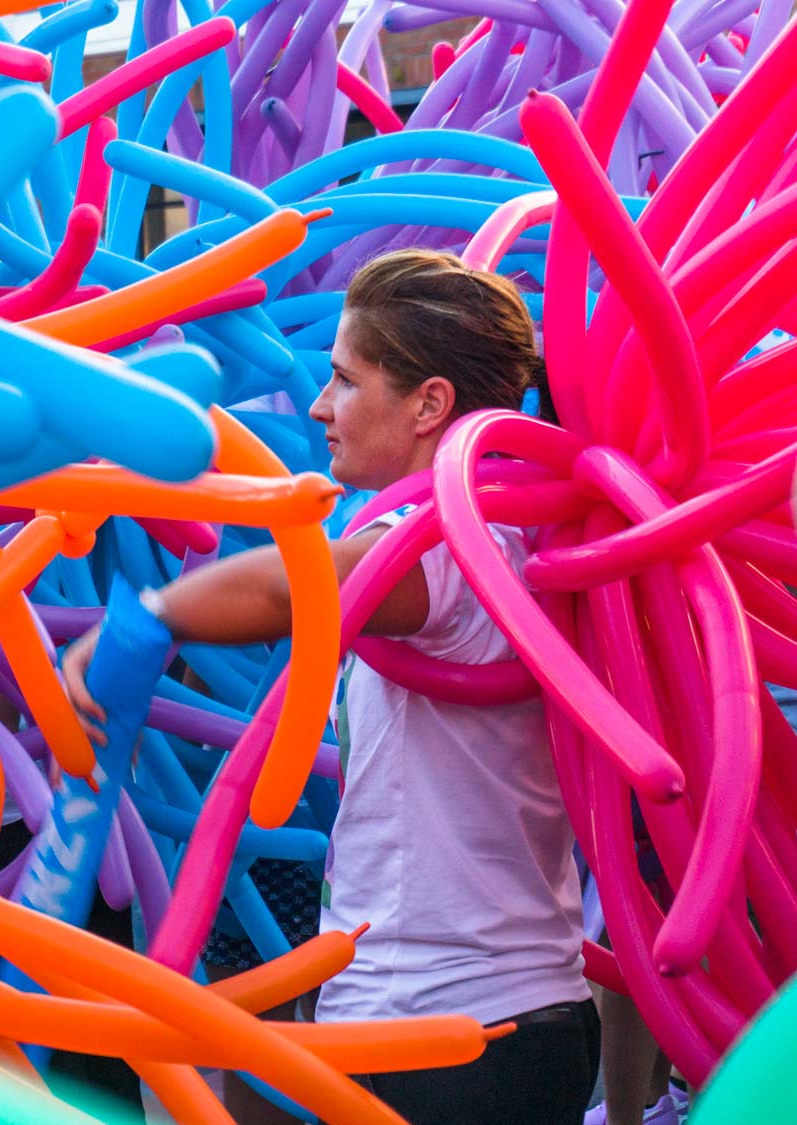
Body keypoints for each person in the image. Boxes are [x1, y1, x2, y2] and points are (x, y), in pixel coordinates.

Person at [62, 249, 598, 1124]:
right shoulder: (519, 530)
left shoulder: (450, 545)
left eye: (347, 381)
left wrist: (151, 614)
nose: (319, 405)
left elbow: (293, 587)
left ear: (430, 404)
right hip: (494, 1022)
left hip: (452, 1041)